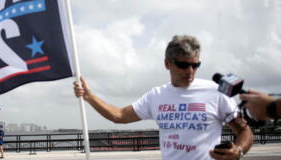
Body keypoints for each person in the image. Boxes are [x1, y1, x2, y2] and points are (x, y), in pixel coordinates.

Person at [74, 35, 253, 160]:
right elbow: (119, 116)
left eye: (195, 65)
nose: (190, 71)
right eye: (183, 65)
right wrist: (90, 97)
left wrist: (238, 151)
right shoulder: (157, 96)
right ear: (167, 63)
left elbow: (245, 132)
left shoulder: (216, 92)